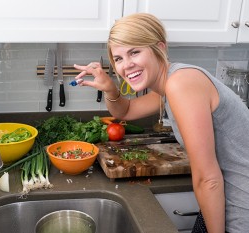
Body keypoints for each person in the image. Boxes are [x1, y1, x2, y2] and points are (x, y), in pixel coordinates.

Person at [73, 13, 249, 233]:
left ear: (160, 48)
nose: (126, 65)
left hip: (241, 206)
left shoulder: (180, 84)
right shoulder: (171, 83)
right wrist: (110, 87)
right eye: (118, 58)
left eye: (135, 52)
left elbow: (208, 179)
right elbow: (126, 110)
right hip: (224, 198)